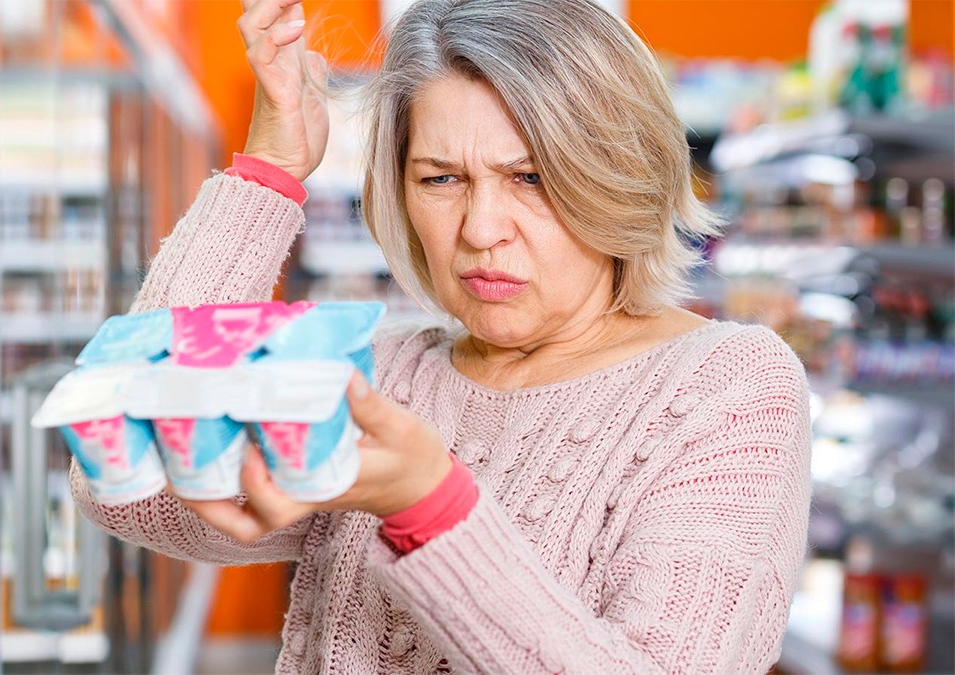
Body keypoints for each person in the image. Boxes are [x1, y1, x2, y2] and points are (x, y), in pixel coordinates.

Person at [71, 0, 812, 672]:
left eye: (529, 178)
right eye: (440, 179)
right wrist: (269, 170)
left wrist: (429, 504)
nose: (481, 230)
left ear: (619, 173)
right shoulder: (384, 369)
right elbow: (127, 486)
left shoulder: (728, 389)